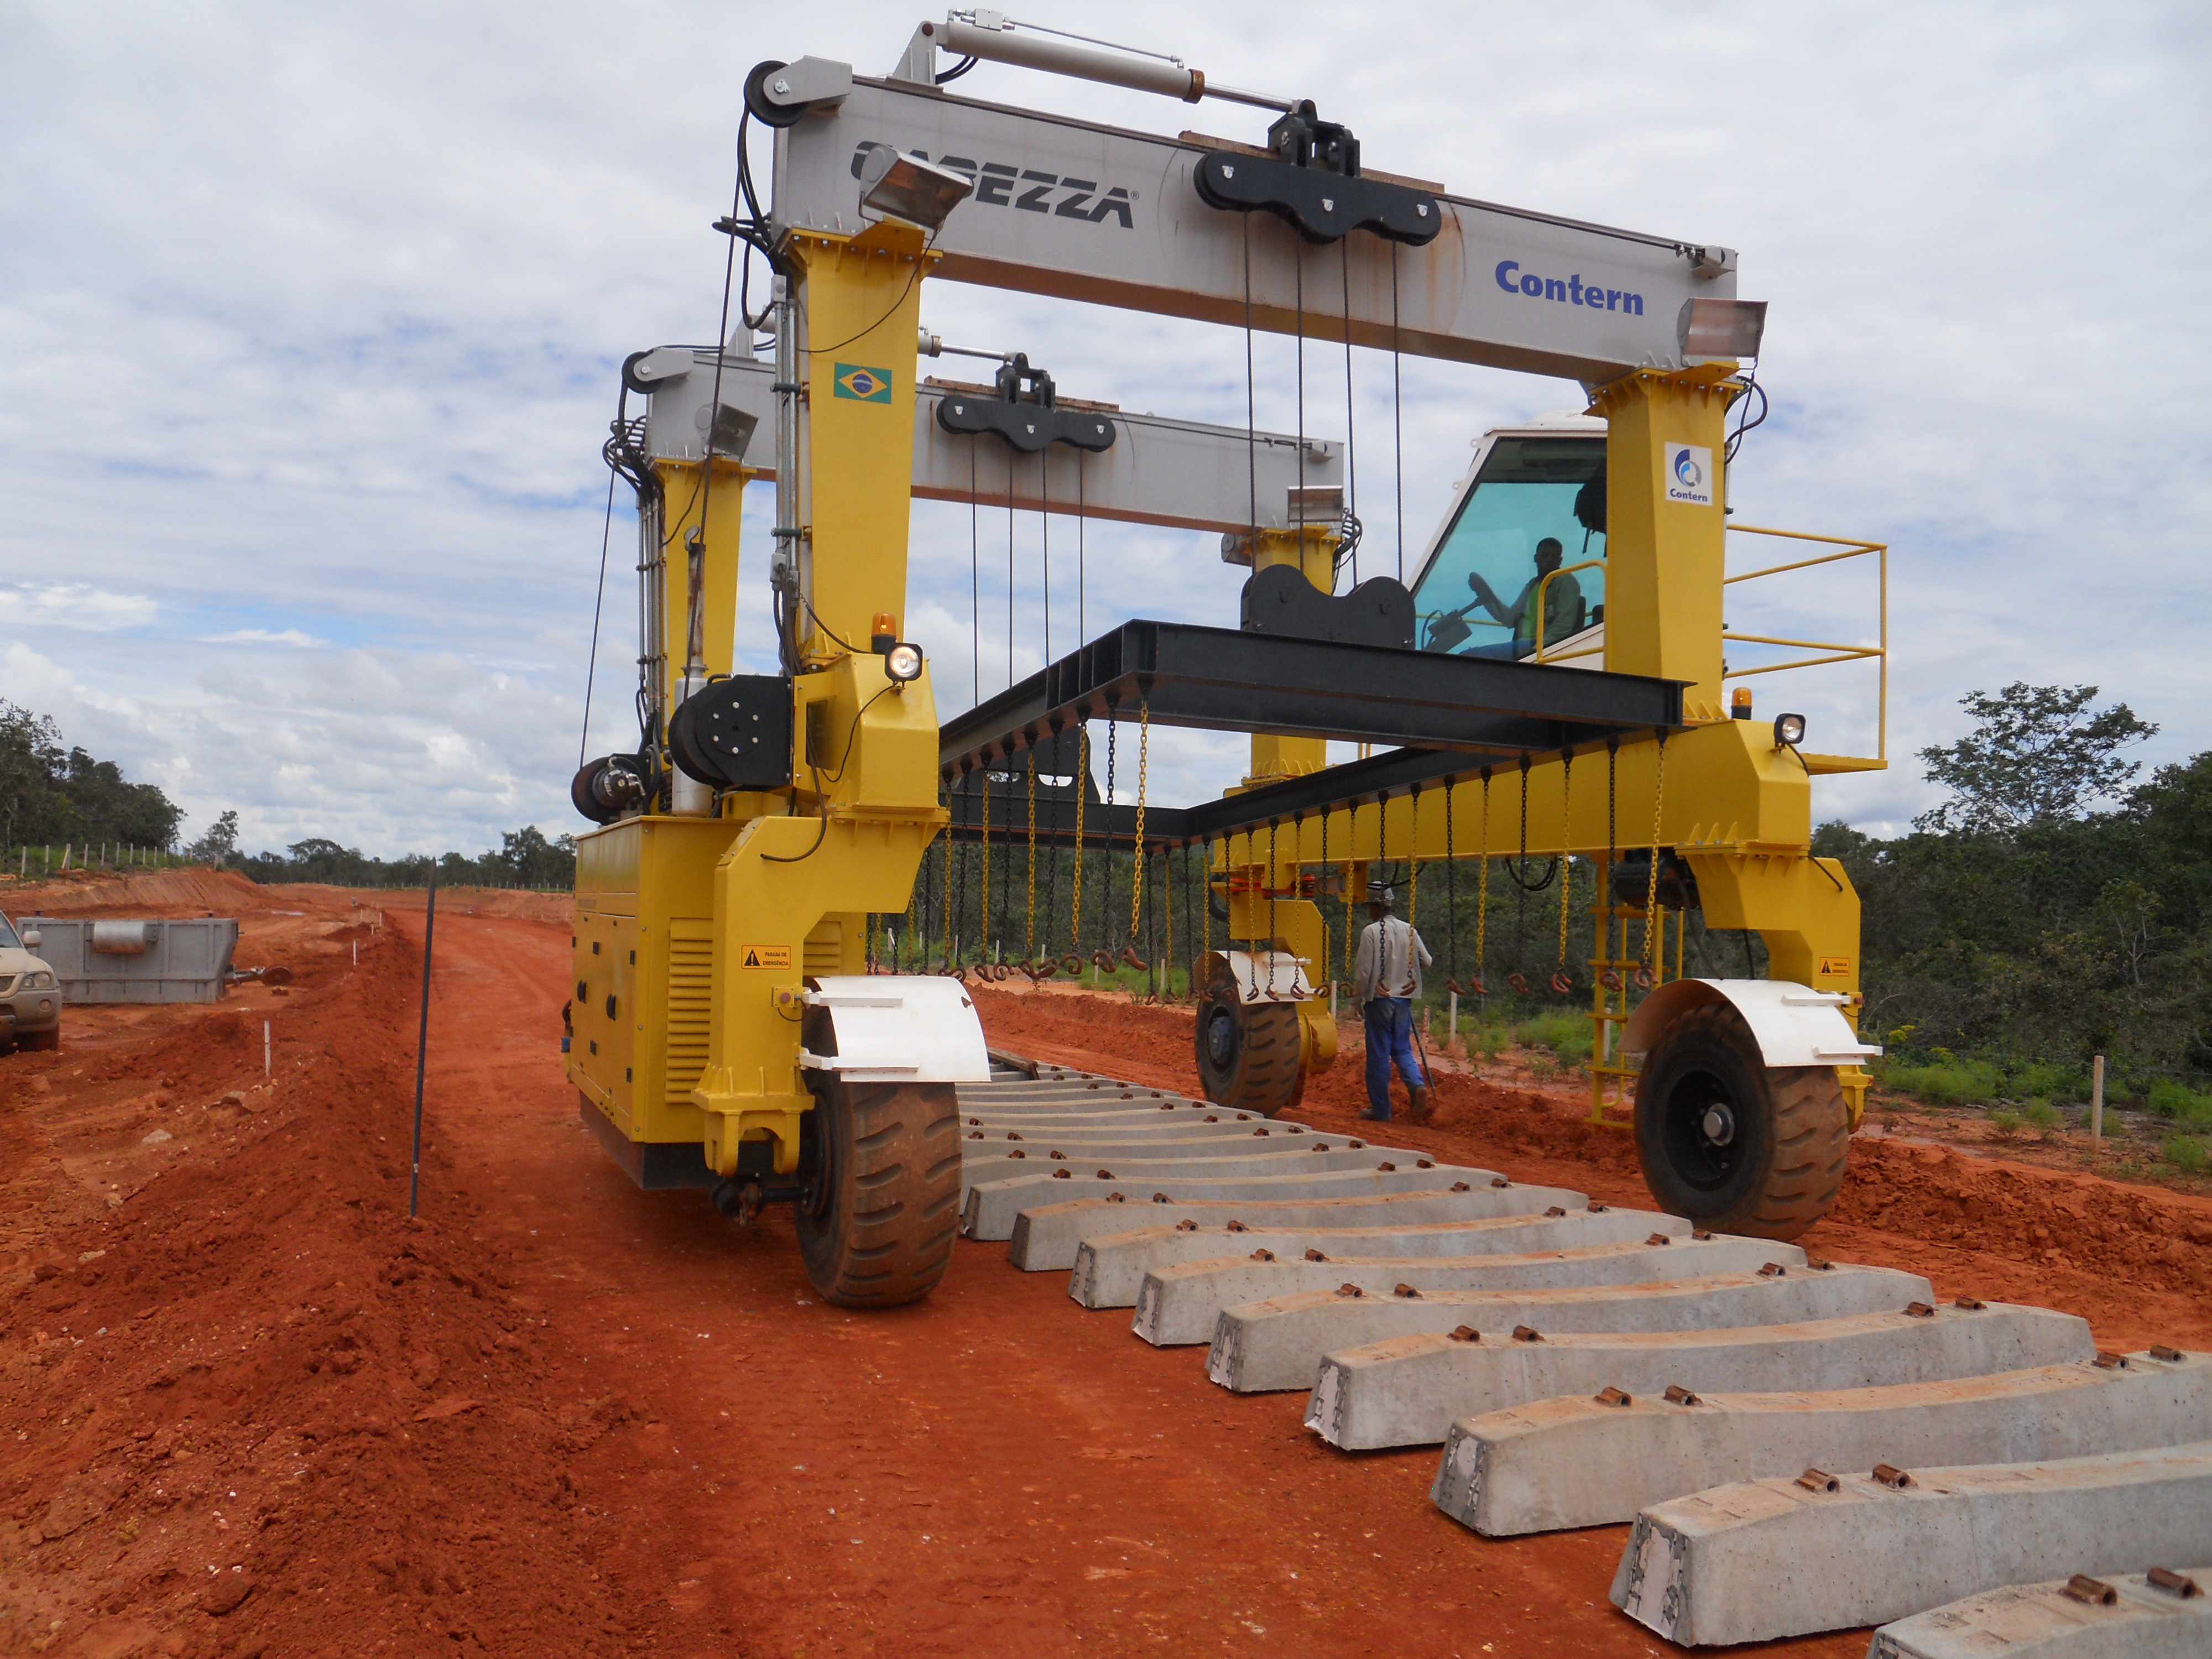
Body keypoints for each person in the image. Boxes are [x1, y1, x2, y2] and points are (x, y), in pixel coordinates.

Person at [1352, 886, 1433, 1123]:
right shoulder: (1409, 930)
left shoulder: (1371, 932)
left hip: (1380, 1001)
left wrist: (1355, 1002)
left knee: (1378, 1055)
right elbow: (1426, 962)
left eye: (1369, 906)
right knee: (1402, 1049)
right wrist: (1405, 974)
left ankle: (1381, 1110)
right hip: (1403, 1002)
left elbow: (1364, 972)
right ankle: (1417, 1085)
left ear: (1376, 907)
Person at [1465, 536, 1583, 658]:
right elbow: (1510, 619)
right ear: (1536, 558)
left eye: (1554, 556)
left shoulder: (1567, 582)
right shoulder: (1532, 586)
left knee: (1486, 654)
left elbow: (1563, 625)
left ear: (1560, 561)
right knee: (1467, 655)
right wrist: (1487, 599)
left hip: (1540, 645)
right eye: (1545, 555)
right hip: (1522, 644)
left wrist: (1536, 652)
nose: (1549, 559)